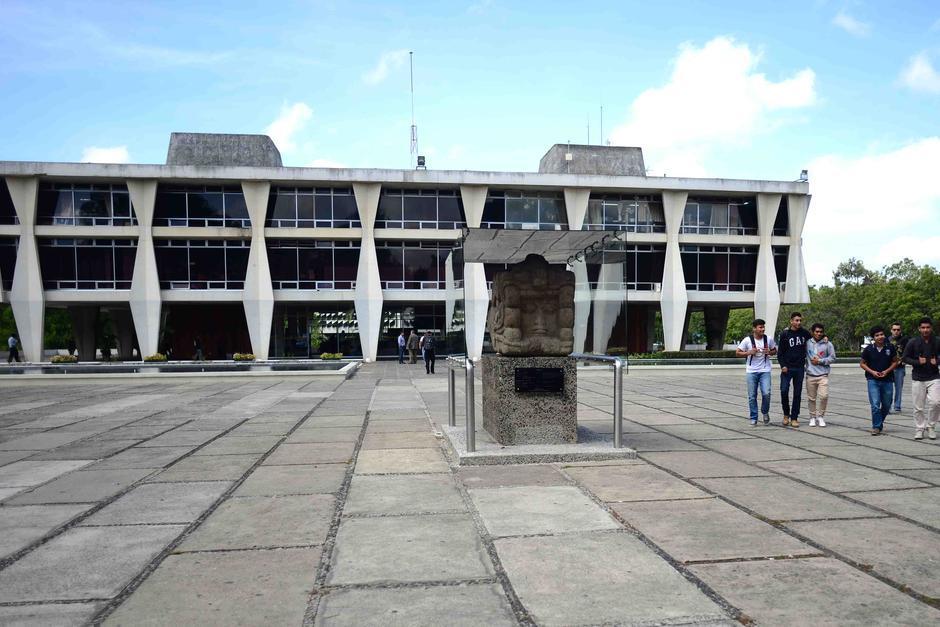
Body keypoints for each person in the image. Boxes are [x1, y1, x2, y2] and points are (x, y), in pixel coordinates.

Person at [900, 316, 940, 440]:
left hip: (934, 376)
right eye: (923, 327)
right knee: (918, 406)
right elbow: (904, 358)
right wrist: (917, 362)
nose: (925, 330)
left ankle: (931, 426)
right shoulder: (913, 342)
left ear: (931, 328)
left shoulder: (937, 341)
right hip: (918, 378)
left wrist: (937, 361)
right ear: (919, 329)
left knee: (936, 402)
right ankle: (919, 428)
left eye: (928, 327)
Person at [735, 319, 778, 426]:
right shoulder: (747, 340)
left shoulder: (768, 339)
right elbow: (737, 352)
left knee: (766, 393)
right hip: (751, 371)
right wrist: (749, 352)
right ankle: (754, 417)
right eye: (760, 327)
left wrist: (769, 352)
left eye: (763, 327)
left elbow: (774, 350)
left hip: (765, 370)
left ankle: (765, 412)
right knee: (752, 396)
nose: (762, 329)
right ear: (754, 328)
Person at [860, 325, 898, 435]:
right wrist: (872, 372)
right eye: (877, 335)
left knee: (887, 404)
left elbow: (895, 362)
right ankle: (876, 426)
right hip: (873, 380)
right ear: (873, 338)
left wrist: (887, 371)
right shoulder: (868, 349)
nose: (880, 337)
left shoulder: (890, 347)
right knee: (875, 404)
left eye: (881, 334)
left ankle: (879, 422)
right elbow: (862, 363)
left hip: (887, 380)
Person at [777, 312, 812, 428]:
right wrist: (783, 365)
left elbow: (815, 339)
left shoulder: (805, 333)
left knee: (797, 393)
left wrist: (824, 337)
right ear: (791, 321)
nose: (799, 323)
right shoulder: (785, 334)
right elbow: (780, 353)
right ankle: (786, 414)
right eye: (796, 320)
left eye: (800, 320)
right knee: (784, 390)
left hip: (799, 368)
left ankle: (794, 417)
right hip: (787, 368)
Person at [805, 323, 836, 427]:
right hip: (810, 375)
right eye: (817, 331)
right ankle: (812, 417)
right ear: (812, 332)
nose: (819, 334)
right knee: (811, 398)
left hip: (823, 375)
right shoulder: (807, 343)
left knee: (824, 396)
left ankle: (821, 416)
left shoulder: (828, 344)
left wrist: (820, 361)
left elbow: (832, 358)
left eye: (821, 332)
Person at [889, 322, 909, 413]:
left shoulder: (905, 340)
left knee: (898, 388)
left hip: (900, 367)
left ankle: (897, 406)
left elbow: (908, 352)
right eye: (894, 330)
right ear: (891, 330)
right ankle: (887, 406)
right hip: (888, 368)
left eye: (898, 330)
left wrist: (903, 360)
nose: (896, 331)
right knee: (888, 388)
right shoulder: (887, 340)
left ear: (900, 330)